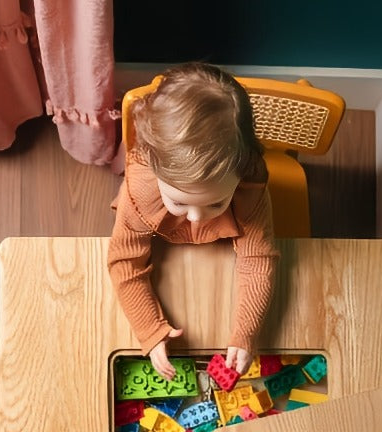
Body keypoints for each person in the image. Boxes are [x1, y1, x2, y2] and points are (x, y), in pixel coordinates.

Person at [107, 61, 279, 381]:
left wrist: (246, 331)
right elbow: (124, 261)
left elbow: (257, 262)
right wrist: (149, 329)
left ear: (241, 174)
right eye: (179, 201)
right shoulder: (140, 193)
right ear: (155, 171)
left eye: (216, 202)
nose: (197, 219)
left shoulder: (249, 189)